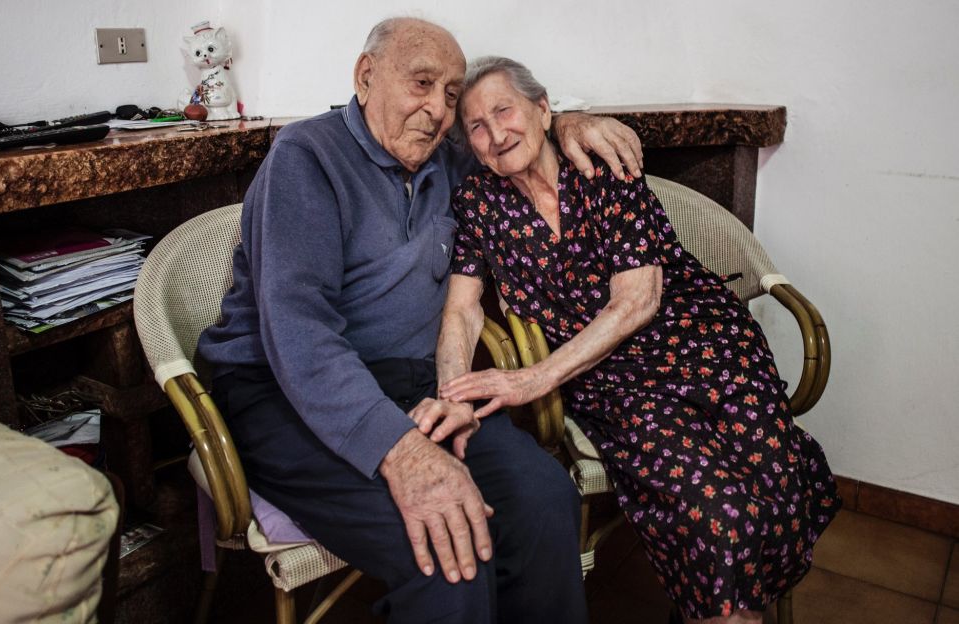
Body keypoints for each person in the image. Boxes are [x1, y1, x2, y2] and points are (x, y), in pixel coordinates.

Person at [197, 18, 644, 623]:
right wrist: (401, 451)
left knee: (545, 499)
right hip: (280, 389)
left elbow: (512, 136)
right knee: (444, 555)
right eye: (422, 83)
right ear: (365, 77)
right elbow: (299, 335)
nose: (438, 110)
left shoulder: (448, 159)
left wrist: (564, 122)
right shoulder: (305, 158)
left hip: (409, 387)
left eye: (451, 94)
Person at [430, 56, 841, 624]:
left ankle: (718, 602)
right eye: (476, 126)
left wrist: (536, 377)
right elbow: (461, 309)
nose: (496, 134)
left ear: (544, 110)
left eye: (505, 110)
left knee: (771, 468)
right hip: (608, 376)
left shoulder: (602, 166)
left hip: (701, 340)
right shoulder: (477, 204)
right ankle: (724, 609)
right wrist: (453, 393)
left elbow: (639, 300)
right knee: (713, 504)